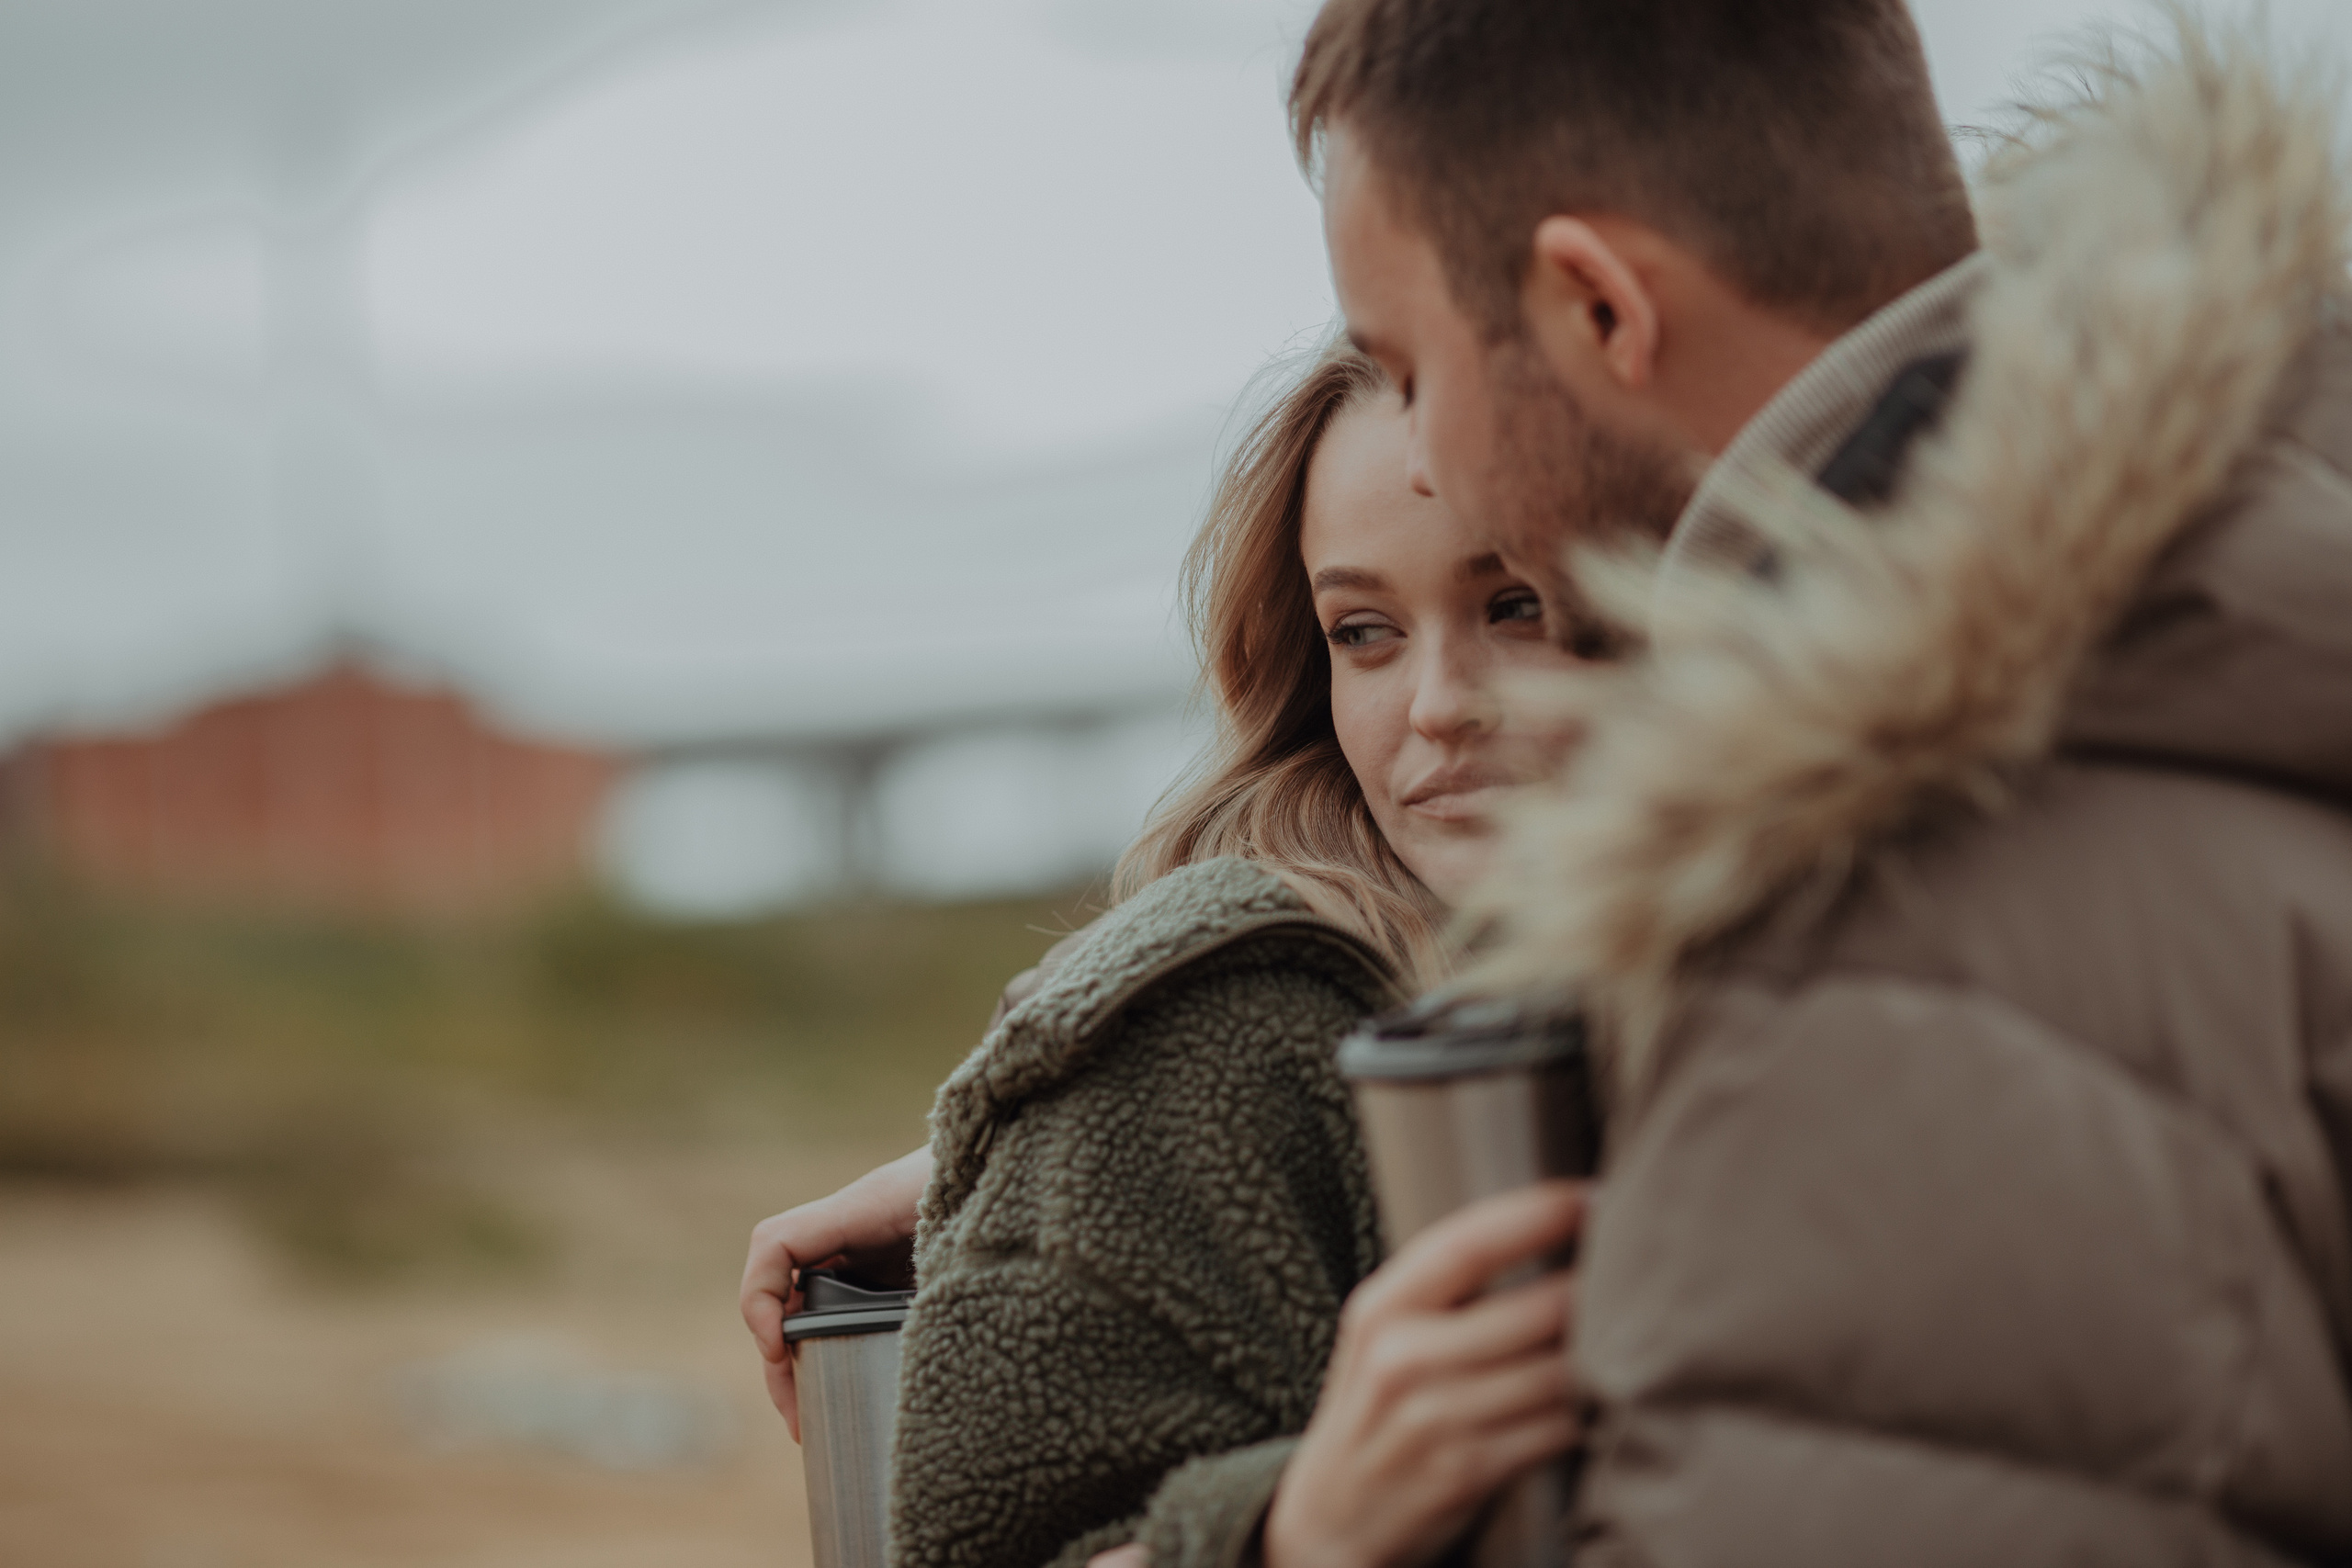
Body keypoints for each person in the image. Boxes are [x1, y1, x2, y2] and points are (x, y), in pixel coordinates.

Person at [1285, 0, 2352, 1561]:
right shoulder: (2246, 574)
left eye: (1412, 367)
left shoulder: (1865, 938)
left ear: (1597, 306)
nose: (1428, 461)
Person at [741, 342, 1594, 1567]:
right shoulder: (1211, 1023)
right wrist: (1293, 1535)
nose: (1439, 705)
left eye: (1515, 605)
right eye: (1364, 630)